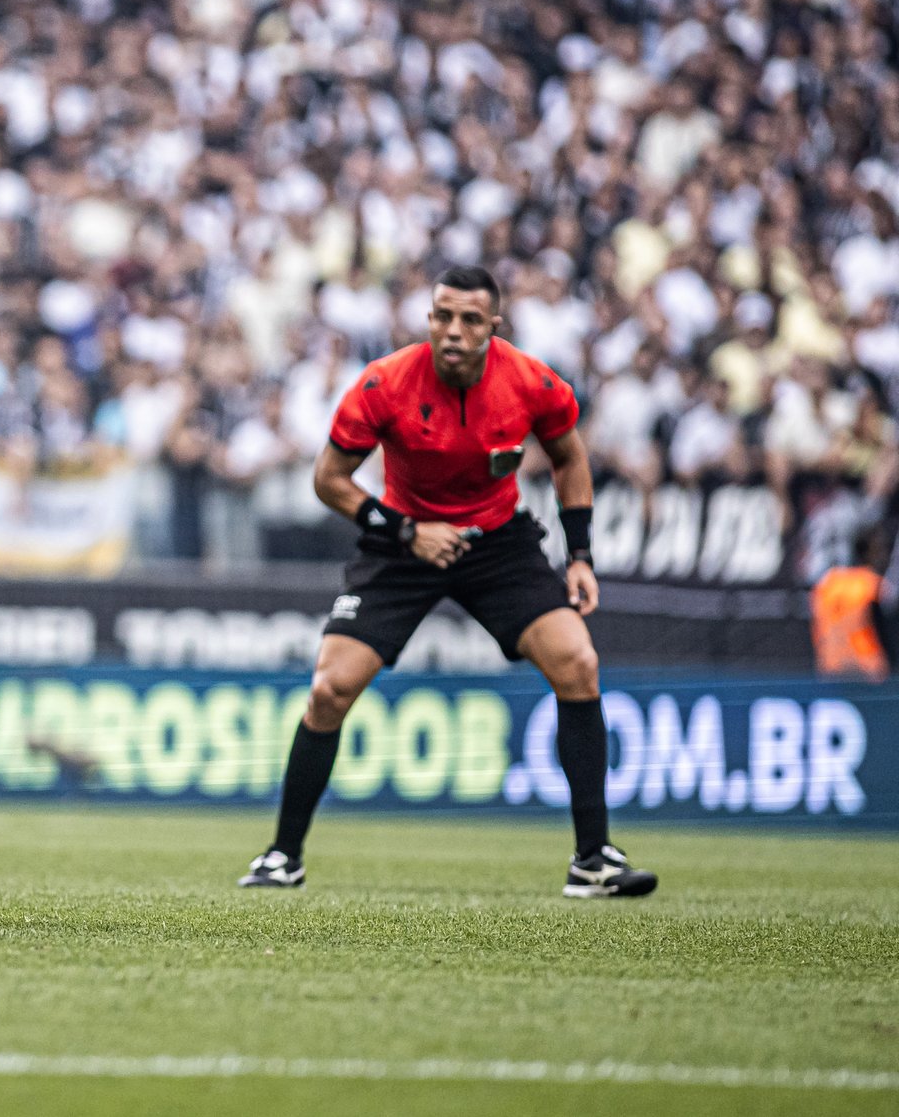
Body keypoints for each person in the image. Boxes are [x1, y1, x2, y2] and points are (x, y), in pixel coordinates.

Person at [240, 265, 657, 899]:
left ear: (494, 326)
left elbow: (571, 456)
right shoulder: (385, 382)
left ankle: (592, 860)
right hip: (401, 545)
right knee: (329, 689)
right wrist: (406, 531)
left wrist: (580, 556)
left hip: (497, 543)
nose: (453, 331)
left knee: (578, 662)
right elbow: (329, 479)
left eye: (468, 319)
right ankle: (282, 857)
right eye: (442, 316)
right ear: (428, 320)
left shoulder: (530, 381)